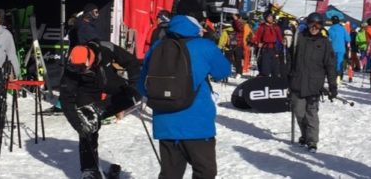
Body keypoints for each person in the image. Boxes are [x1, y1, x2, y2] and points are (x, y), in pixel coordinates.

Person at [140, 14, 231, 178]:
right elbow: (223, 71)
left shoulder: (157, 47)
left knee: (170, 174)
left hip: (165, 123)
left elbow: (142, 84)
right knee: (205, 171)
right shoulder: (205, 46)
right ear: (196, 28)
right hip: (197, 123)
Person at [61, 40, 141, 179]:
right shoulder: (72, 67)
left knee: (136, 93)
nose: (78, 72)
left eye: (81, 69)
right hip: (87, 90)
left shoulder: (104, 48)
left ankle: (99, 110)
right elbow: (66, 99)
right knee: (87, 125)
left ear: (88, 61)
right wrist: (78, 125)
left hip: (109, 81)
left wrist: (134, 82)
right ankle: (89, 169)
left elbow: (131, 61)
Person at [288, 12, 337, 153]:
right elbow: (290, 59)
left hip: (314, 84)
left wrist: (332, 86)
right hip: (297, 82)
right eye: (311, 24)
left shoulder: (325, 43)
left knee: (311, 114)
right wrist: (287, 77)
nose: (314, 27)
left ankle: (312, 141)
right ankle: (304, 135)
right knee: (299, 112)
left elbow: (330, 66)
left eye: (317, 25)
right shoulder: (299, 38)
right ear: (307, 24)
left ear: (321, 26)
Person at [253, 12, 284, 77]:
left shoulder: (276, 27)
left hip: (274, 49)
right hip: (265, 49)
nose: (271, 18)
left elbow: (280, 37)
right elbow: (257, 37)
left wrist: (283, 42)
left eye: (271, 17)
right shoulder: (262, 27)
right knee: (265, 67)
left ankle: (274, 81)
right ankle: (264, 78)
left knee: (275, 67)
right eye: (269, 17)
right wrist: (258, 43)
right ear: (266, 18)